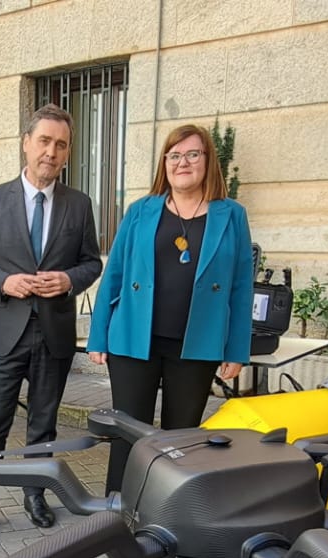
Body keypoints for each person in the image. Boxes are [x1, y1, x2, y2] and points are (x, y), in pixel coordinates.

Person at [0, 104, 103, 544]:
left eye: (61, 145)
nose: (51, 152)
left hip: (54, 333)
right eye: (44, 141)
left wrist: (67, 280)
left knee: (44, 425)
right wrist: (5, 281)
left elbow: (91, 263)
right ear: (26, 142)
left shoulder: (79, 205)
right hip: (5, 332)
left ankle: (35, 497)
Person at [86, 123, 253, 492]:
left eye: (193, 154)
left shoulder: (231, 215)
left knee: (182, 440)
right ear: (165, 163)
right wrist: (97, 337)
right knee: (127, 431)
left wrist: (237, 349)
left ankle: (169, 514)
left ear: (208, 161)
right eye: (174, 155)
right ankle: (119, 509)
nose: (183, 162)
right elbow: (113, 273)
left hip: (197, 345)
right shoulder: (141, 210)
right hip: (133, 341)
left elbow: (241, 288)